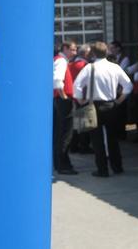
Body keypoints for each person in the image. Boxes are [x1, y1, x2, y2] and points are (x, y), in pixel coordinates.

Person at [74, 42, 133, 177]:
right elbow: (128, 86)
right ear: (106, 52)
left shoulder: (89, 68)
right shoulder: (115, 67)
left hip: (94, 105)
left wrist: (80, 100)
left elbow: (77, 85)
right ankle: (117, 167)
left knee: (97, 140)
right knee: (113, 138)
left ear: (93, 53)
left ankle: (102, 169)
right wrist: (119, 100)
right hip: (111, 105)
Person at [53, 41, 78, 175]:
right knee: (65, 134)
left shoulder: (59, 60)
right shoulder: (61, 61)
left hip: (60, 100)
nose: (75, 53)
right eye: (73, 50)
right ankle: (63, 165)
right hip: (63, 101)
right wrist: (64, 96)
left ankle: (59, 163)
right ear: (65, 48)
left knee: (60, 133)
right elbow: (57, 80)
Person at [68, 44, 93, 154]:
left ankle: (74, 146)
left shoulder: (71, 64)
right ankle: (84, 146)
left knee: (76, 123)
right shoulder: (85, 66)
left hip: (74, 97)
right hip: (84, 97)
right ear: (86, 54)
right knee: (84, 124)